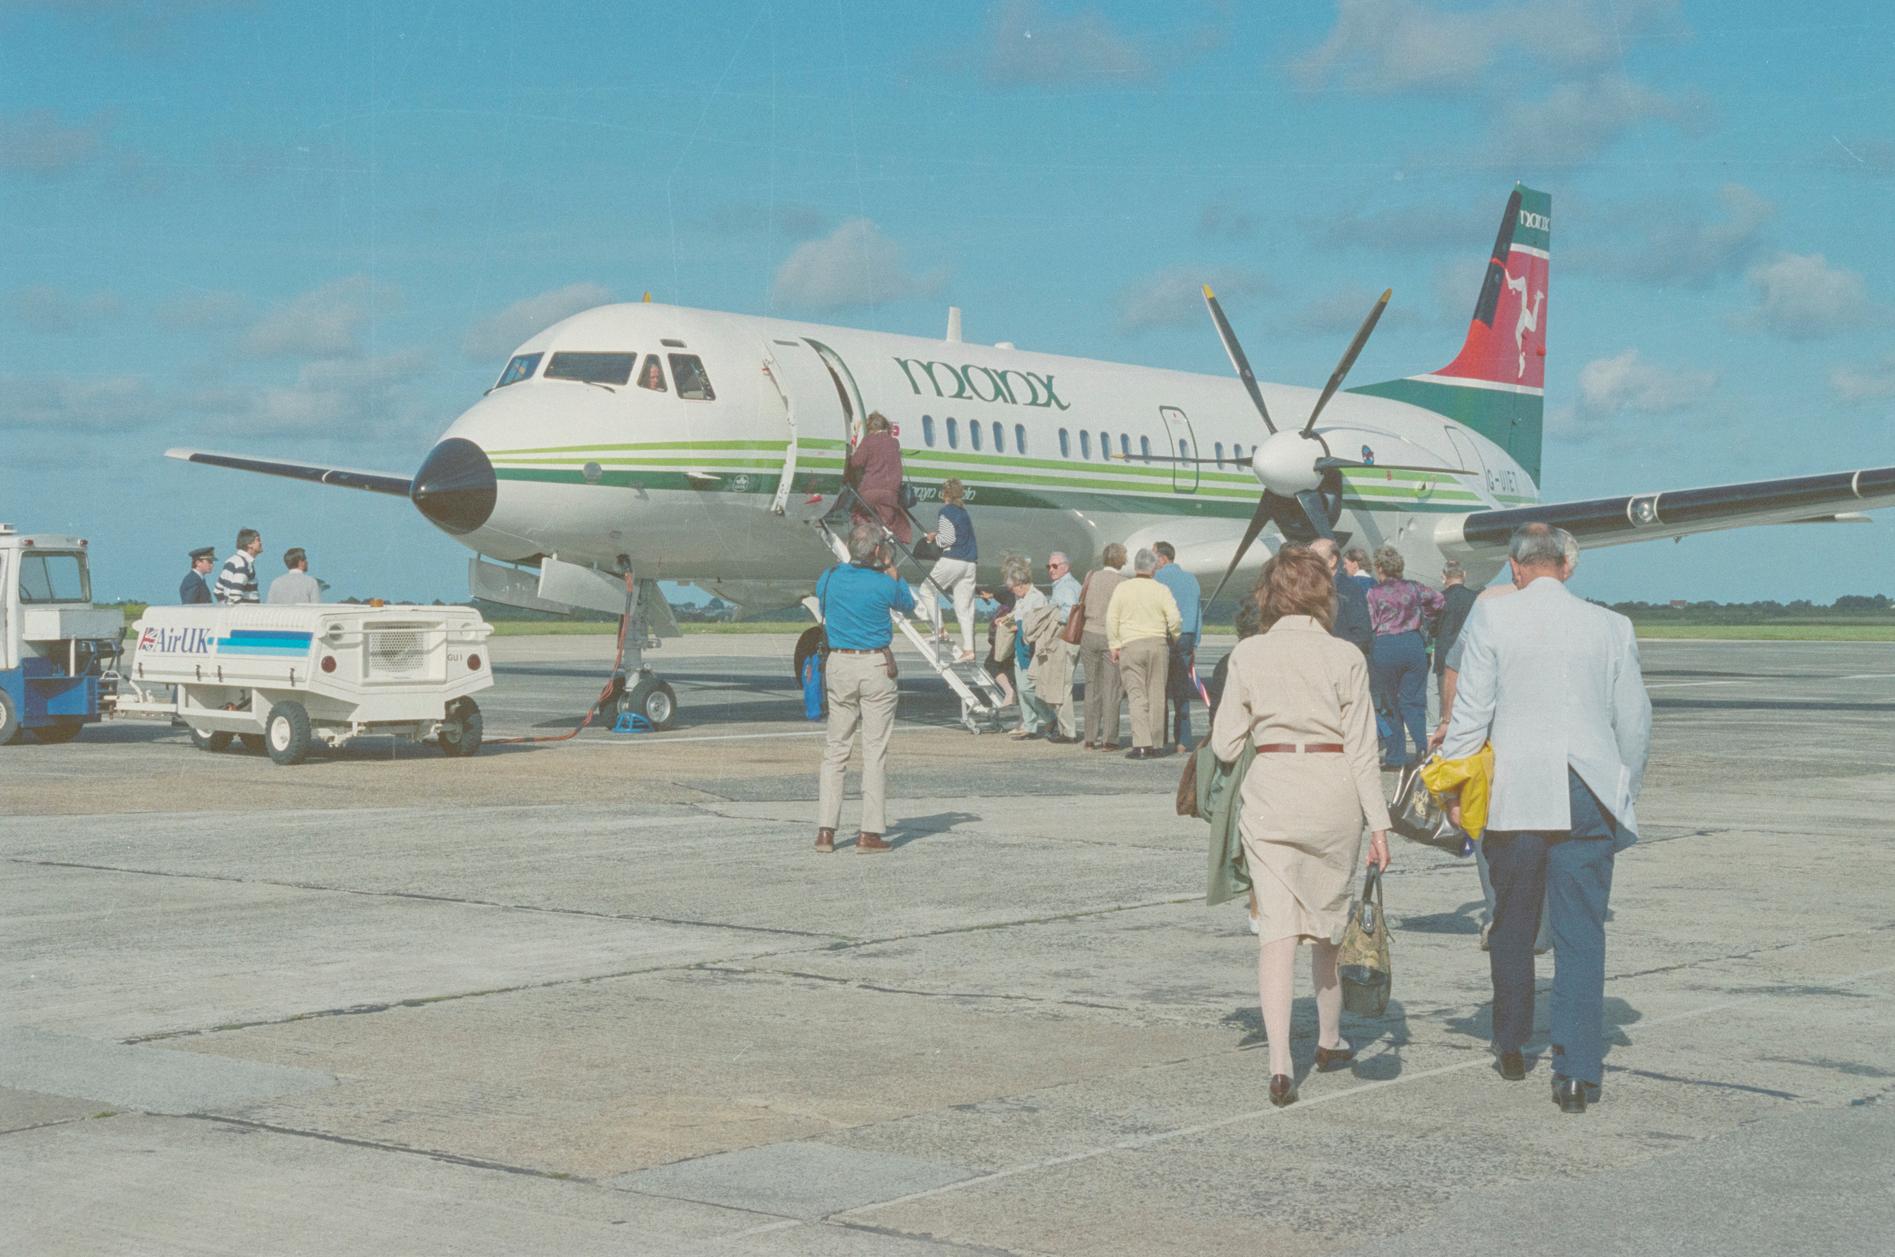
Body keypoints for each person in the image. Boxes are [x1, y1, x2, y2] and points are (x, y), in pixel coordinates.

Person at [1439, 523, 1651, 1112]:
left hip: (1516, 789)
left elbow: (1470, 712)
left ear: (1514, 567)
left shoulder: (1492, 619)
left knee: (1512, 919)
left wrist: (1454, 784)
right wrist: (1622, 785)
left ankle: (1510, 1042)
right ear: (1568, 566)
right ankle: (1578, 1071)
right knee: (1581, 931)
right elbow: (1633, 721)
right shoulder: (1612, 625)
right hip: (1587, 787)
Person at [1210, 544, 1391, 1107]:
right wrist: (1380, 826)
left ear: (1270, 594)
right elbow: (1365, 750)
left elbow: (1224, 743)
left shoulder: (1248, 655)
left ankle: (1280, 1062)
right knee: (1328, 928)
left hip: (1274, 792)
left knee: (1277, 933)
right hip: (1334, 792)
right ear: (1322, 595)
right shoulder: (1346, 656)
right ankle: (1330, 1040)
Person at [814, 521, 916, 854]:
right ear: (876, 550)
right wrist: (888, 566)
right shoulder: (883, 583)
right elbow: (908, 604)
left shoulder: (828, 578)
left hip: (839, 664)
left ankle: (826, 831)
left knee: (835, 749)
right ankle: (868, 832)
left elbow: (824, 601)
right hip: (874, 666)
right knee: (874, 751)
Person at [1367, 545, 1444, 768]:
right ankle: (1423, 749)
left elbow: (1372, 621)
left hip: (1386, 645)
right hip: (1412, 643)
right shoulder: (1414, 588)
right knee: (1414, 701)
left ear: (1379, 568)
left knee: (1390, 703)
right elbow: (1439, 601)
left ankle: (1395, 755)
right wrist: (1425, 617)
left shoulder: (1373, 593)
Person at [1106, 547, 1180, 759]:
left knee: (1137, 696)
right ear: (1154, 568)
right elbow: (1174, 618)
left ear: (1135, 566)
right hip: (1157, 644)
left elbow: (1112, 618)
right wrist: (1174, 636)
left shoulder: (1122, 588)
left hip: (1131, 645)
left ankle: (1141, 744)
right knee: (1157, 694)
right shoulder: (1161, 589)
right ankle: (1156, 744)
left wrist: (1114, 644)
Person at [919, 478, 978, 662]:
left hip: (952, 559)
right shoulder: (963, 512)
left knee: (927, 590)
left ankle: (940, 629)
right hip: (970, 563)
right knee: (964, 608)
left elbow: (948, 539)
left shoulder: (946, 512)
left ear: (944, 494)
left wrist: (932, 539)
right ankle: (969, 650)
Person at [1152, 541, 1203, 752]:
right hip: (1187, 637)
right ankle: (1183, 740)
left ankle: (1160, 739)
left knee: (1160, 690)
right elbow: (1199, 613)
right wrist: (1195, 643)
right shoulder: (1191, 579)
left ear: (1162, 559)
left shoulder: (1156, 580)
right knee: (1182, 692)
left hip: (1165, 637)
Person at [1079, 543, 1128, 750]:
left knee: (1092, 686)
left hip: (1088, 633)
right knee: (1112, 689)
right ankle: (1109, 738)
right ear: (1121, 560)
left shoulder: (1091, 576)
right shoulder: (1123, 582)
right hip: (1111, 637)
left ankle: (1090, 737)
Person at [1005, 558, 1055, 740]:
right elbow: (1018, 616)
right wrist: (1007, 619)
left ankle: (1049, 717)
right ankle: (1029, 725)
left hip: (1030, 647)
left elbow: (1040, 623)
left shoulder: (1037, 598)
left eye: (1012, 588)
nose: (1012, 592)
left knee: (1027, 688)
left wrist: (1019, 627)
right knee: (1021, 688)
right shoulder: (1021, 599)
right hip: (1019, 646)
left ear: (1020, 584)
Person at [1037, 551, 1083, 741]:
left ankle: (1068, 732)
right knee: (1060, 684)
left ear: (1066, 567)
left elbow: (1071, 611)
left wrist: (1052, 615)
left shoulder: (1066, 587)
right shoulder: (1066, 585)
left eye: (1055, 566)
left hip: (1064, 638)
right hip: (1067, 639)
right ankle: (1065, 729)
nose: (1051, 570)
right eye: (1049, 566)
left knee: (1062, 685)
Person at [846, 411, 910, 544]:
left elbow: (856, 462)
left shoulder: (869, 440)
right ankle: (884, 544)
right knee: (886, 524)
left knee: (860, 514)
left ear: (870, 427)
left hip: (869, 492)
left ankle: (863, 540)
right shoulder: (894, 443)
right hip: (890, 494)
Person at [1309, 538, 1372, 658]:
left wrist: (1337, 656)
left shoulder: (1349, 589)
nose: (1307, 563)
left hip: (1338, 661)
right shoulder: (1308, 587)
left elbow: (1361, 634)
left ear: (1332, 560)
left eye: (1313, 558)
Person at [1433, 559, 1479, 714]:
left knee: (1446, 705)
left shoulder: (1438, 598)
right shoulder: (1475, 598)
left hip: (1445, 655)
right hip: (1470, 654)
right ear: (1464, 575)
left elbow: (1432, 628)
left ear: (1443, 576)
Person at [975, 583, 1018, 706]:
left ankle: (1010, 692)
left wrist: (991, 594)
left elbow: (1003, 591)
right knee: (1009, 668)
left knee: (991, 664)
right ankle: (1014, 693)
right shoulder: (1014, 600)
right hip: (1004, 640)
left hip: (1004, 640)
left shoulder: (1010, 599)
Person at [215, 528, 263, 605]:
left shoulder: (231, 561)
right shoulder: (243, 564)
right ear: (249, 544)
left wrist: (226, 608)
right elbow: (235, 597)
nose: (261, 543)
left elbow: (218, 591)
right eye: (258, 540)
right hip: (246, 614)